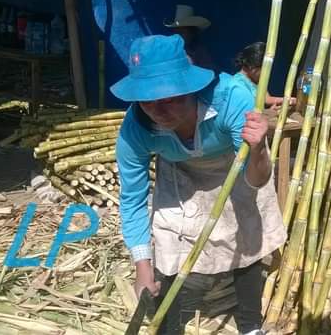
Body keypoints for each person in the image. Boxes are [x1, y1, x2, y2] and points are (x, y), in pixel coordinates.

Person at [111, 34, 286, 335]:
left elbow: (257, 180)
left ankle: (250, 325)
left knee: (245, 236)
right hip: (181, 169)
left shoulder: (232, 99)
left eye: (171, 100)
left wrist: (257, 149)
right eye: (149, 102)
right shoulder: (135, 127)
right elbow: (133, 197)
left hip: (236, 166)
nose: (161, 112)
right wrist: (142, 266)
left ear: (190, 87)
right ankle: (170, 325)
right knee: (168, 239)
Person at [232, 42, 295, 109]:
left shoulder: (256, 80)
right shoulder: (239, 85)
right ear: (252, 67)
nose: (267, 73)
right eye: (264, 69)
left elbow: (267, 98)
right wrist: (287, 100)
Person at [165, 4, 215, 69]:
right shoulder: (168, 51)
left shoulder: (200, 50)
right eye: (177, 31)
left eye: (183, 31)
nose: (179, 35)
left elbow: (212, 69)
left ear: (192, 33)